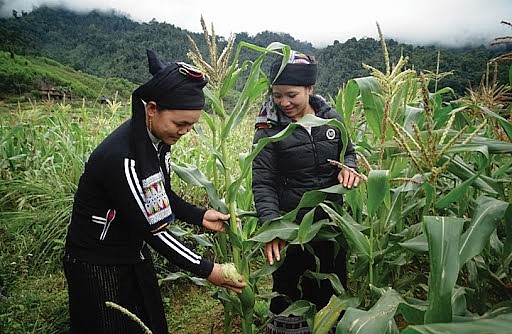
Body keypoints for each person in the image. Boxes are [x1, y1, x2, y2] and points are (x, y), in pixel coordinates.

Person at [63, 49, 246, 334]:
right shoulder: (123, 159)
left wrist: (200, 216)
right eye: (180, 124)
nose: (184, 132)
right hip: (98, 263)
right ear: (152, 109)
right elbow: (154, 229)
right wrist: (209, 270)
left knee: (147, 324)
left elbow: (162, 196)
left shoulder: (157, 142)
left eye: (191, 126)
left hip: (132, 252)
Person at [251, 51, 360, 333]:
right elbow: (263, 181)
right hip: (292, 224)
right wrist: (272, 226)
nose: (283, 102)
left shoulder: (330, 118)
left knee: (330, 285)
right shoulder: (268, 127)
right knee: (290, 291)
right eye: (277, 95)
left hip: (331, 221)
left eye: (291, 95)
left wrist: (347, 168)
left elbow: (348, 151)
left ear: (309, 89)